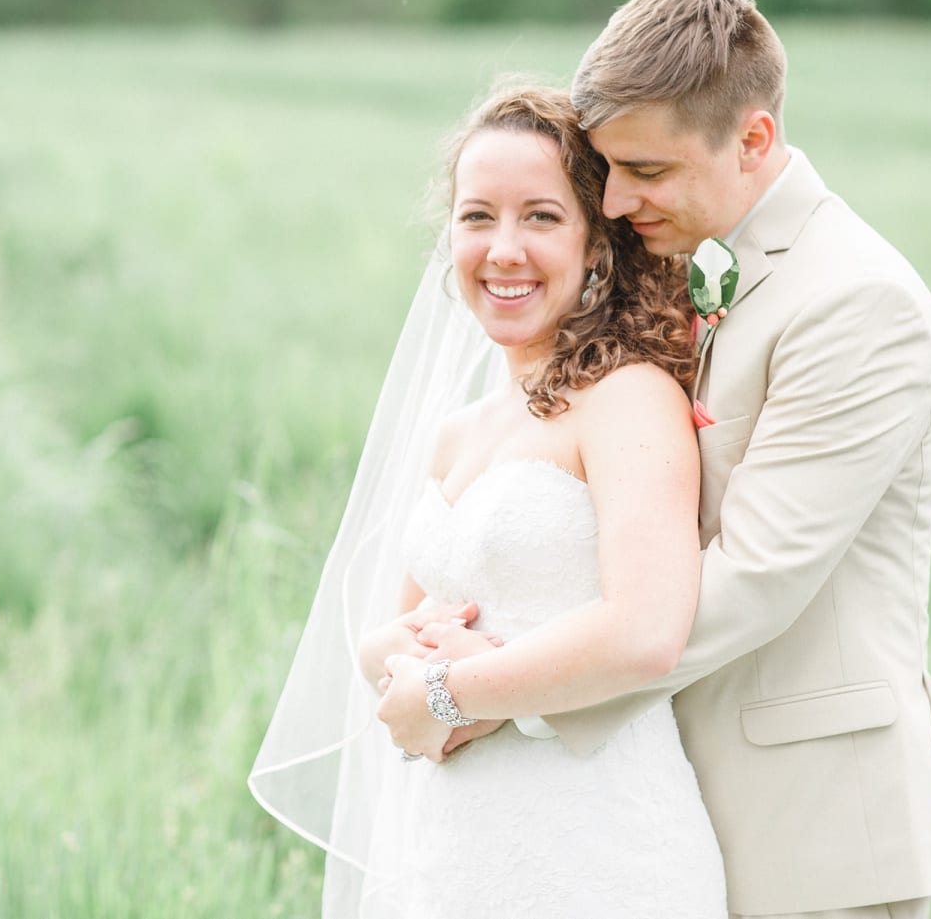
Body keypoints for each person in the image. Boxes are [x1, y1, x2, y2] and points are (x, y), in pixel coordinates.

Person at [401, 0, 931, 919]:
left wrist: (483, 686)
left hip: (813, 827)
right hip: (667, 804)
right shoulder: (716, 273)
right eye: (611, 170)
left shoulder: (856, 302)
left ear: (754, 137)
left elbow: (749, 575)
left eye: (648, 170)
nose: (619, 201)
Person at [251, 84, 728, 917]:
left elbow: (647, 630)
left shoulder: (630, 398)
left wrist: (444, 693)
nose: (503, 248)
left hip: (597, 850)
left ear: (595, 243)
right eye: (478, 216)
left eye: (540, 217)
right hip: (450, 851)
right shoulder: (457, 434)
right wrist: (393, 659)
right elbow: (389, 637)